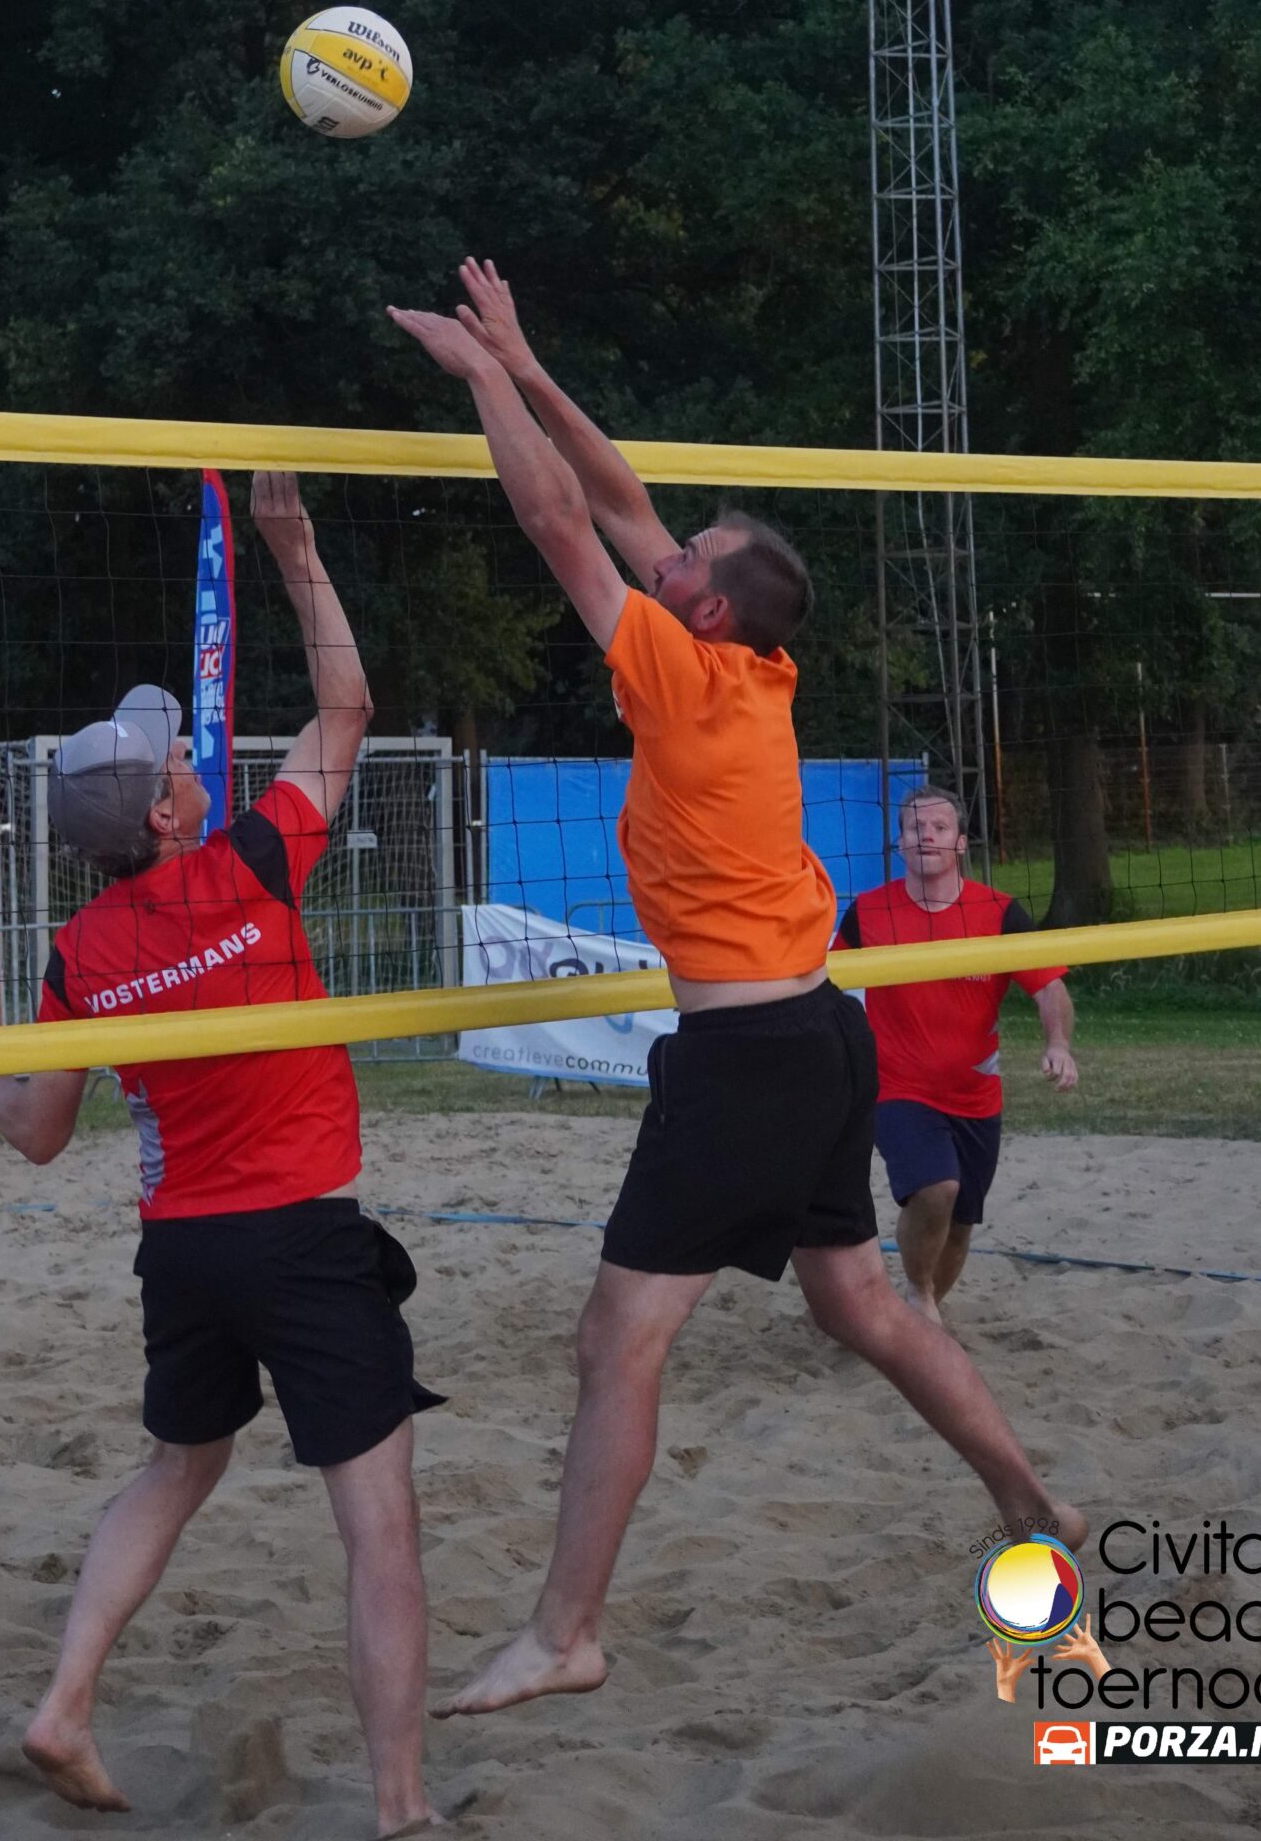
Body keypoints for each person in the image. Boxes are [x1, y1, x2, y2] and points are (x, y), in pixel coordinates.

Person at [388, 259, 1082, 1719]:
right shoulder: (754, 663)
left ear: (703, 607)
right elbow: (619, 497)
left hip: (750, 1062)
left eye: (688, 556)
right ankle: (1028, 1497)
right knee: (860, 1305)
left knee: (615, 1343)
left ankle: (565, 1631)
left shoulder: (682, 676)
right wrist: (527, 355)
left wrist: (478, 381)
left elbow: (556, 520)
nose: (667, 551)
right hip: (820, 1035)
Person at [0, 473, 443, 1834]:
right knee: (379, 1527)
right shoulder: (251, 862)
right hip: (300, 1235)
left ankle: (66, 1701)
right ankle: (402, 1806)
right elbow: (346, 706)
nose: (187, 760)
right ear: (168, 816)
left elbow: (39, 1136)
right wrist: (296, 553)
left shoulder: (78, 953)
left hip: (183, 1251)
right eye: (172, 761)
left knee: (178, 1466)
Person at [837, 785, 1078, 1322]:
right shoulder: (868, 912)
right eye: (915, 827)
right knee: (935, 1188)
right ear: (900, 842)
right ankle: (916, 1296)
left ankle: (919, 1309)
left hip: (974, 1096)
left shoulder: (999, 912)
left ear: (961, 843)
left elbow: (1049, 989)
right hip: (896, 1087)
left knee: (961, 1222)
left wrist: (1058, 1044)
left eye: (939, 827)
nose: (926, 836)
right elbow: (827, 989)